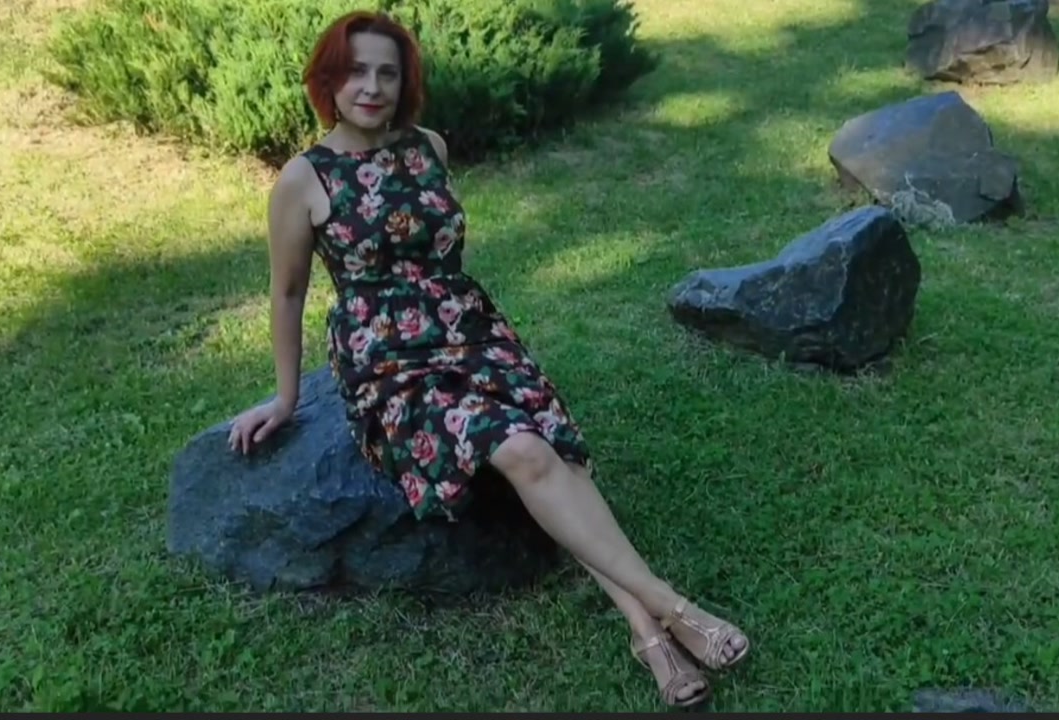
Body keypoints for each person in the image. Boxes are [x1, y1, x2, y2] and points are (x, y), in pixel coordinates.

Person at [226, 9, 748, 707]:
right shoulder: (304, 178)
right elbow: (288, 292)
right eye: (355, 72)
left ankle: (645, 633)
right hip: (389, 364)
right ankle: (675, 607)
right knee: (523, 451)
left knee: (558, 453)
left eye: (387, 72)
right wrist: (286, 397)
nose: (372, 87)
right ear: (328, 80)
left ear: (405, 81)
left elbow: (439, 252)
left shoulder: (429, 147)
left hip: (470, 330)